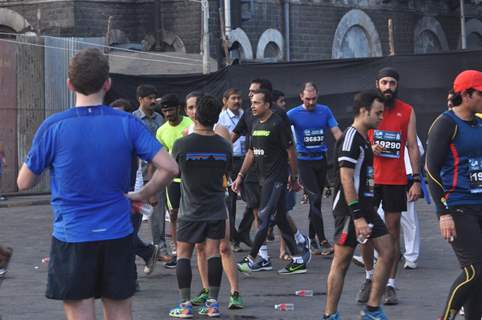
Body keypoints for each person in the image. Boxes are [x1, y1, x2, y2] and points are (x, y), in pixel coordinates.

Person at [16, 48, 178, 320]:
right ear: (108, 84)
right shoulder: (128, 123)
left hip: (73, 236)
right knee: (119, 313)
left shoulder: (53, 126)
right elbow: (170, 167)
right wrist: (143, 192)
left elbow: (23, 182)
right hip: (116, 235)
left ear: (69, 84)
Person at [323, 90, 393, 320]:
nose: (381, 118)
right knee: (341, 262)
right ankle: (329, 315)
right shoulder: (350, 138)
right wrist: (357, 216)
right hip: (349, 210)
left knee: (388, 251)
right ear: (363, 111)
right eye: (378, 113)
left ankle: (372, 309)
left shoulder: (363, 139)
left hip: (366, 206)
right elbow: (345, 179)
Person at [357, 67, 422, 305]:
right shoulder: (369, 109)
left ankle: (390, 285)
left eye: (392, 83)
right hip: (370, 179)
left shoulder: (407, 110)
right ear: (377, 84)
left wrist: (416, 179)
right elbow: (356, 134)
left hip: (395, 180)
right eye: (384, 82)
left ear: (397, 85)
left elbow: (413, 146)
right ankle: (369, 276)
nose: (388, 87)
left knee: (392, 231)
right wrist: (368, 147)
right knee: (365, 231)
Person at [168, 95, 232, 318]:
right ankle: (213, 304)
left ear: (195, 114)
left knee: (184, 254)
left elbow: (170, 170)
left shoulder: (181, 144)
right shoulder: (225, 145)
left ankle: (185, 306)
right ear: (216, 117)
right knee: (214, 253)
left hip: (190, 210)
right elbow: (226, 173)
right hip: (215, 208)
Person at [426, 70, 482, 320]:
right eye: (481, 93)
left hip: (480, 203)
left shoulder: (479, 122)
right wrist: (443, 212)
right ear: (467, 94)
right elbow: (431, 170)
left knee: (480, 276)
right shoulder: (446, 123)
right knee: (475, 269)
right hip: (458, 207)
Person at [233, 89, 307, 275]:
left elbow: (291, 152)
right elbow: (251, 152)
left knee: (264, 217)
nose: (252, 106)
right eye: (252, 102)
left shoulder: (278, 123)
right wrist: (240, 176)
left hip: (277, 178)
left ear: (267, 105)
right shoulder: (255, 123)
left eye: (257, 103)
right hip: (261, 178)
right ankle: (298, 259)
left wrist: (294, 176)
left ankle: (252, 259)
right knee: (280, 217)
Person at [182, 90, 245, 310]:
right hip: (194, 203)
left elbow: (225, 168)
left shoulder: (221, 132)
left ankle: (234, 292)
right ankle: (208, 291)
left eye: (195, 107)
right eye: (189, 107)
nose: (192, 111)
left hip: (218, 198)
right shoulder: (185, 133)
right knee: (201, 248)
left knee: (223, 247)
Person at [287, 82, 343, 256]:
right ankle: (323, 240)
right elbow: (279, 130)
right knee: (314, 197)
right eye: (307, 99)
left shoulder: (325, 110)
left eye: (313, 99)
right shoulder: (293, 114)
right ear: (301, 97)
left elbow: (336, 133)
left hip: (321, 160)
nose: (311, 102)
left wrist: (348, 146)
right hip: (304, 161)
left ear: (317, 96)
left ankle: (311, 238)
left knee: (316, 202)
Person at [110, 99, 161, 284]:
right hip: (115, 197)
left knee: (124, 236)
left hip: (131, 196)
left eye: (121, 114)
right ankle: (146, 254)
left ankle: (132, 276)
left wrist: (139, 197)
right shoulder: (110, 138)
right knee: (122, 237)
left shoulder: (132, 139)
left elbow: (141, 169)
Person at [132, 85, 172, 267]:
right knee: (135, 217)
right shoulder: (132, 119)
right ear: (140, 99)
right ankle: (137, 249)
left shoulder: (159, 118)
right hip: (138, 173)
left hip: (157, 171)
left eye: (154, 97)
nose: (153, 101)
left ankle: (160, 247)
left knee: (158, 212)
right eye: (149, 97)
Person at [156, 94, 193, 268]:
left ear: (178, 109)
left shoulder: (190, 124)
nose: (168, 113)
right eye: (165, 111)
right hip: (173, 177)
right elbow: (161, 158)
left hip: (191, 176)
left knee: (193, 211)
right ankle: (177, 249)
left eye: (171, 109)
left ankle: (196, 245)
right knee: (173, 213)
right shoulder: (161, 131)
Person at [217, 88, 250, 251]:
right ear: (225, 101)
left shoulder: (247, 114)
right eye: (233, 98)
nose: (237, 101)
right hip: (230, 161)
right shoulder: (221, 119)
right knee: (230, 201)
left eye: (239, 98)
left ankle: (242, 232)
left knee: (252, 200)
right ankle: (231, 238)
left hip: (248, 159)